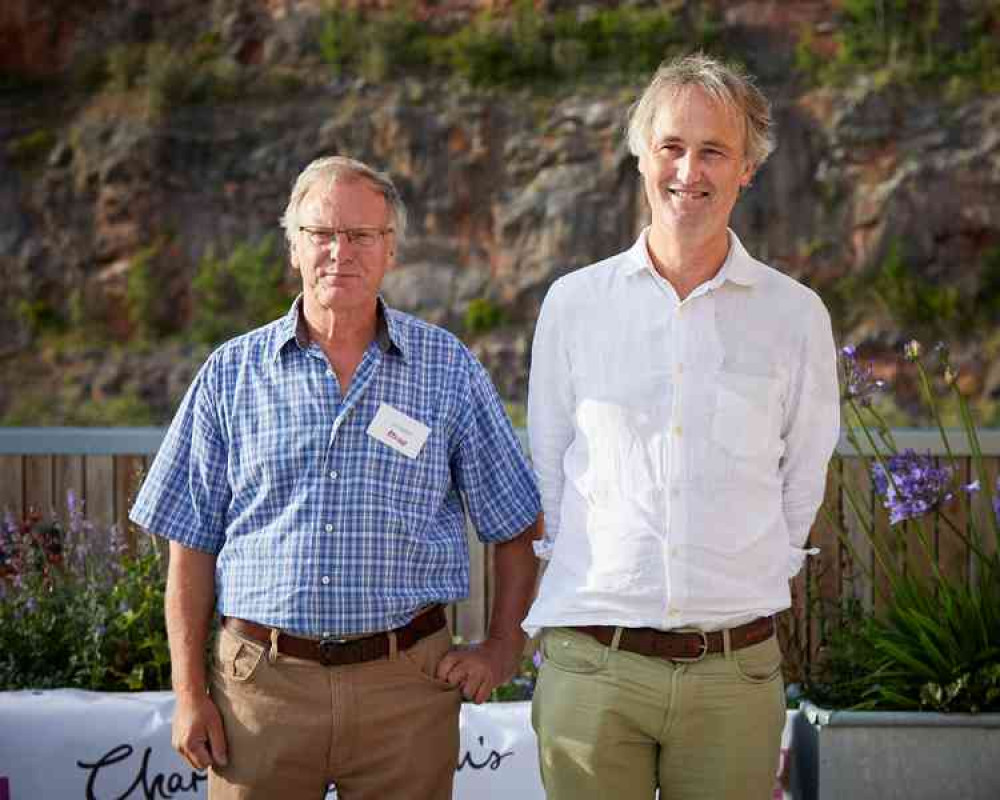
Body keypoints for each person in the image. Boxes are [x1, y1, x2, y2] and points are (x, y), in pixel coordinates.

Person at [130, 156, 541, 800]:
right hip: (259, 695)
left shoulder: (449, 369)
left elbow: (516, 525)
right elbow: (191, 547)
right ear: (293, 246)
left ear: (390, 250)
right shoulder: (230, 374)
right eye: (321, 234)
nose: (338, 252)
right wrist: (188, 692)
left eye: (361, 236)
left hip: (406, 694)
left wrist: (501, 649)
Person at [524, 54, 840, 800]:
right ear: (641, 154)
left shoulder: (795, 317)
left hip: (734, 675)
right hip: (592, 670)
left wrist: (735, 581)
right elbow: (550, 464)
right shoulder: (573, 305)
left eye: (713, 150)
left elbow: (803, 479)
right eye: (671, 145)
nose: (688, 170)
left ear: (747, 170)